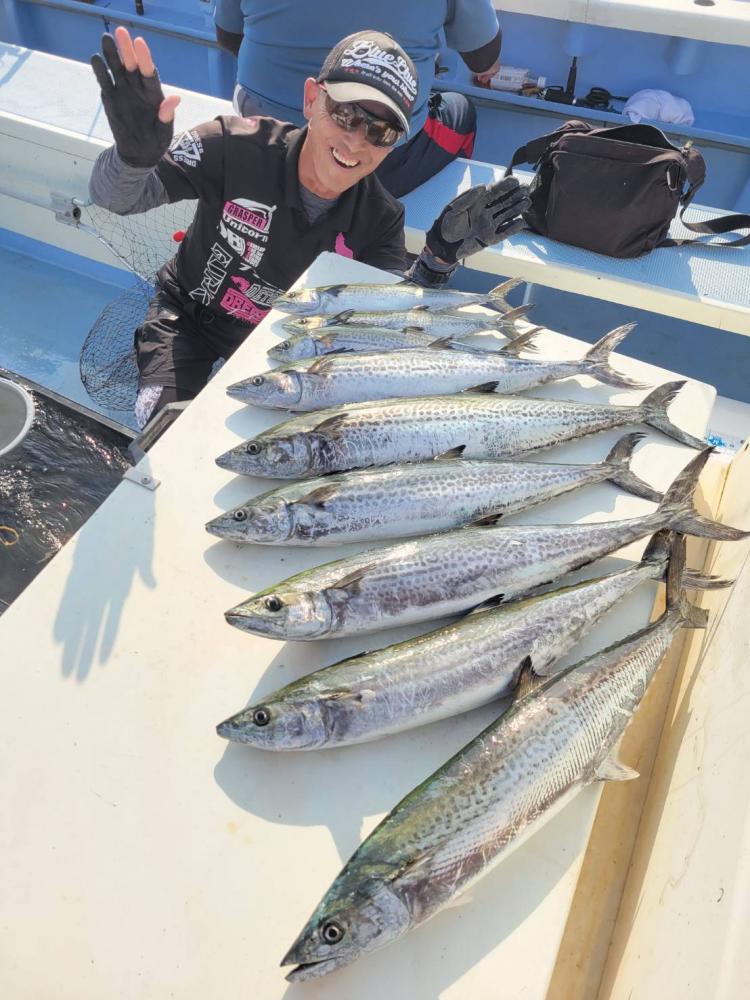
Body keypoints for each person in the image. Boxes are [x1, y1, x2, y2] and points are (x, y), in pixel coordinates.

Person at [89, 27, 527, 428]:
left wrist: (436, 261)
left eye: (381, 131)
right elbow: (117, 198)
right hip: (186, 317)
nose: (356, 140)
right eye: (346, 114)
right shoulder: (232, 144)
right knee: (162, 427)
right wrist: (133, 157)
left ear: (395, 143)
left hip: (288, 349)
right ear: (311, 99)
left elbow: (385, 325)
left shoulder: (381, 217)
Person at [214, 1, 502, 197]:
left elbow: (228, 36)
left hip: (260, 132)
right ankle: (417, 228)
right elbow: (482, 58)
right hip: (375, 153)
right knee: (461, 111)